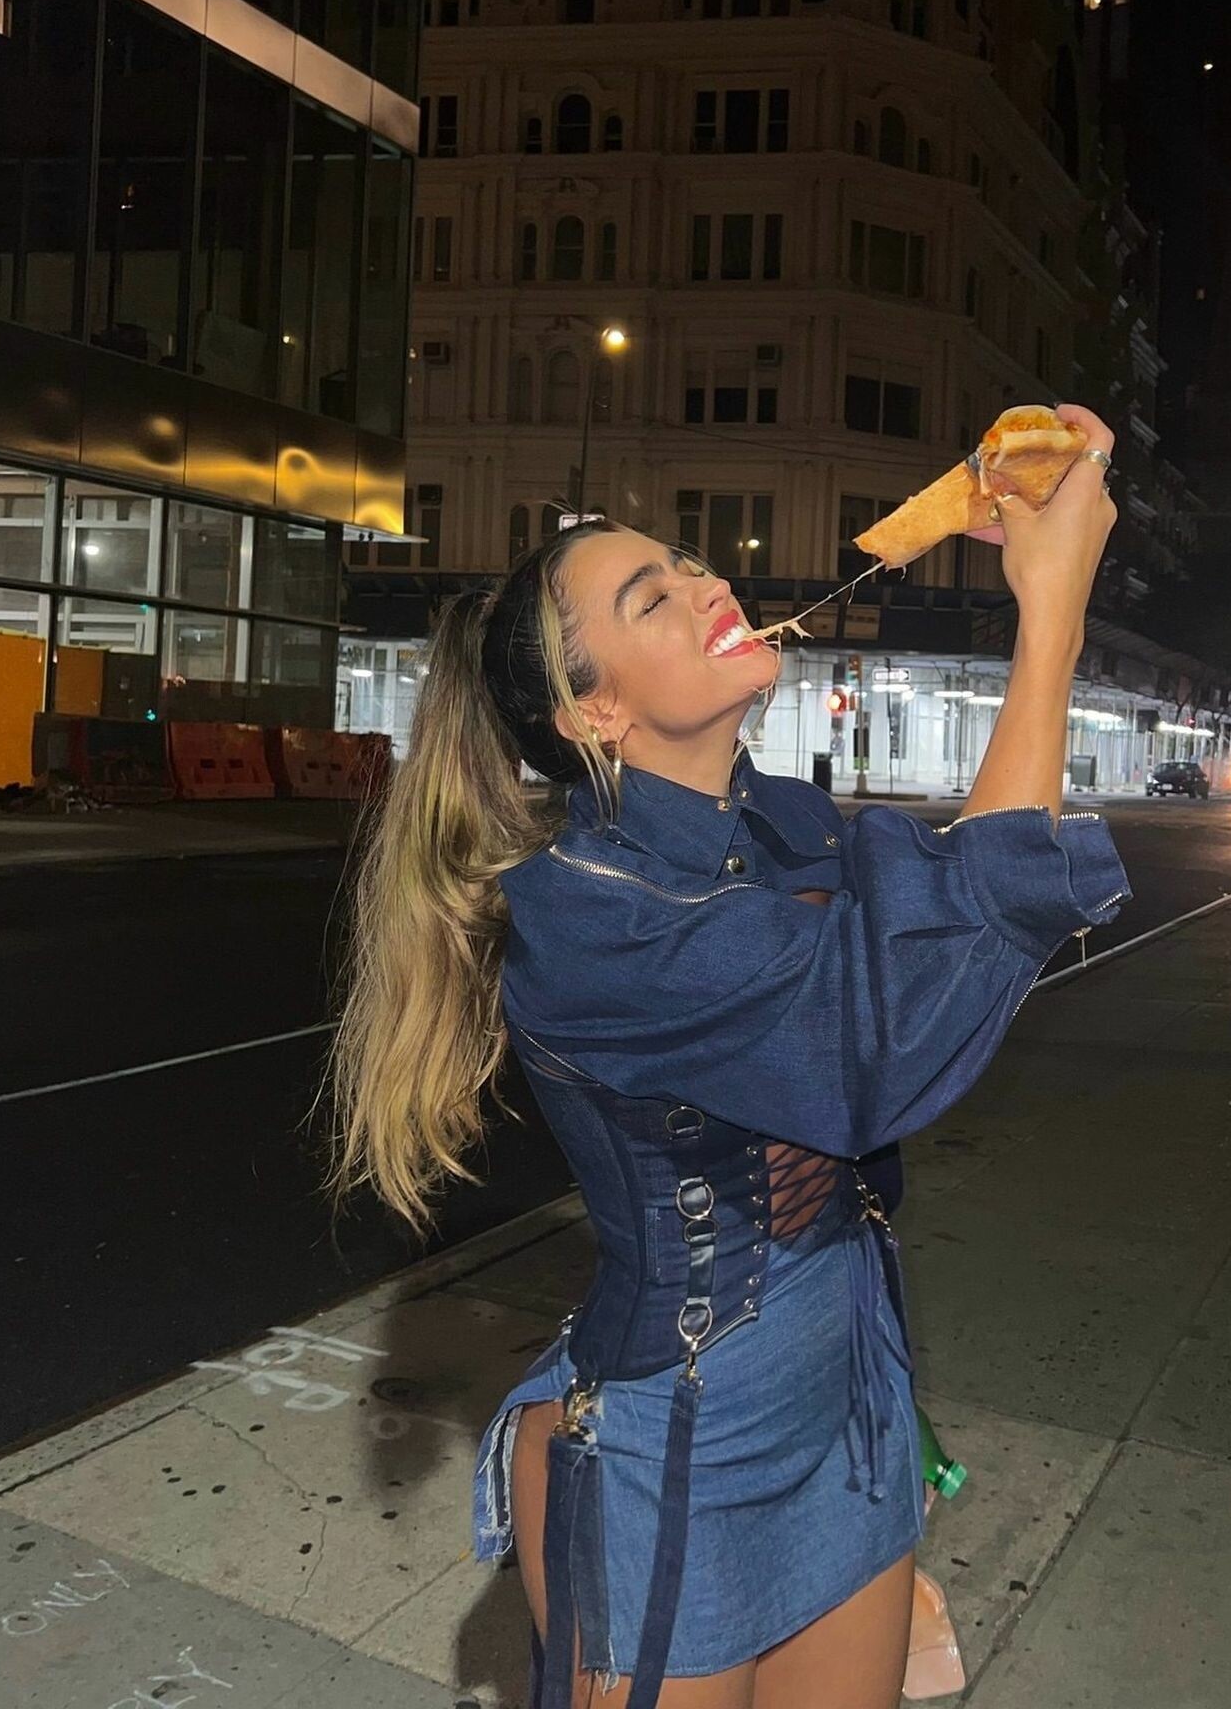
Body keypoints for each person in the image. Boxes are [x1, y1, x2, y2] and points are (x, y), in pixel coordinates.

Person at [323, 404, 1131, 1708]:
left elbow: (952, 923)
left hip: (850, 1418)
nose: (708, 586)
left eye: (690, 564)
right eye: (652, 596)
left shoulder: (791, 822)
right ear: (595, 710)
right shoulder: (583, 914)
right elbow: (890, 1026)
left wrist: (1037, 542)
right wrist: (1053, 620)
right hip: (674, 1455)